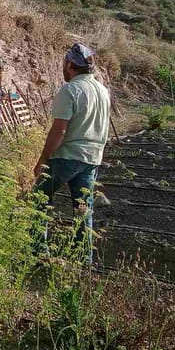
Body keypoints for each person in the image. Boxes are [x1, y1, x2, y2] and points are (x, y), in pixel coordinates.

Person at [32, 43, 110, 262]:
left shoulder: (70, 90)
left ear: (70, 64)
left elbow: (59, 130)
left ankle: (37, 252)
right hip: (92, 159)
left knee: (39, 201)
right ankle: (82, 257)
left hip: (66, 156)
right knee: (83, 209)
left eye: (64, 63)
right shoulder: (103, 91)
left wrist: (42, 160)